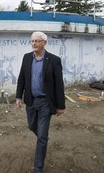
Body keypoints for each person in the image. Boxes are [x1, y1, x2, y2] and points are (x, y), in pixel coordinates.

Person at [16, 31, 65, 173]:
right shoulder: (26, 58)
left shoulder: (54, 60)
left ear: (45, 43)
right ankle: (43, 139)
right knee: (32, 126)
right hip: (31, 101)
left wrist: (60, 106)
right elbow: (22, 79)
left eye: (37, 41)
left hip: (45, 102)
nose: (34, 43)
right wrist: (19, 97)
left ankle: (38, 168)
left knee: (42, 136)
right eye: (32, 41)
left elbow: (59, 84)